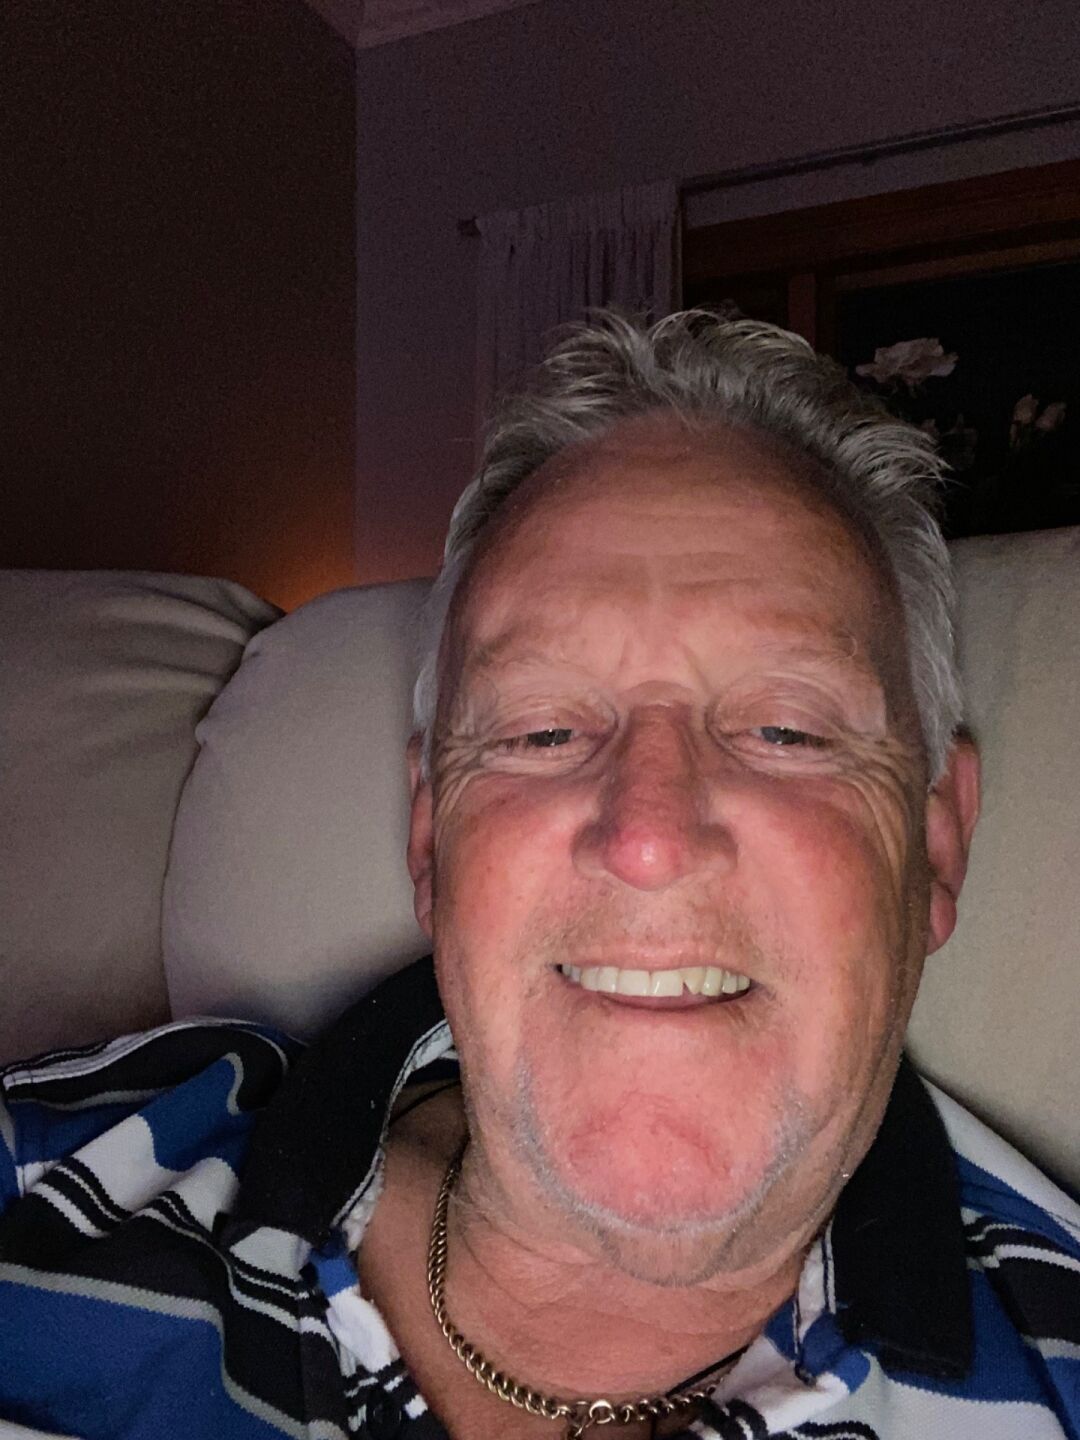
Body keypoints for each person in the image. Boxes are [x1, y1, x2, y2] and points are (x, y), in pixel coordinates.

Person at [1, 312, 1077, 1440]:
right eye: (543, 731)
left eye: (785, 729)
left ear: (936, 843)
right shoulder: (53, 1173)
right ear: (431, 841)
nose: (648, 840)